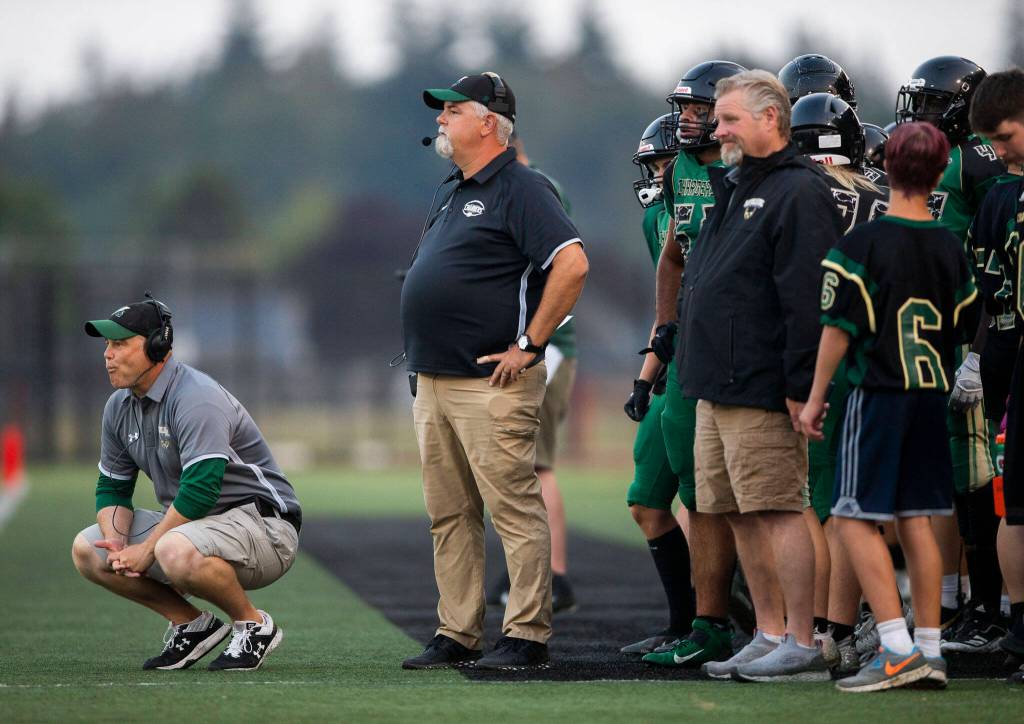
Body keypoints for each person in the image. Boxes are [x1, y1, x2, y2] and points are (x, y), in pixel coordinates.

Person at [400, 72, 588, 672]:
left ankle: (527, 635)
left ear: (488, 121)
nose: (440, 119)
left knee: (513, 508)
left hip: (492, 383)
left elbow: (572, 265)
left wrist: (531, 344)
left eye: (452, 110)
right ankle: (458, 631)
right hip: (434, 381)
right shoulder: (453, 189)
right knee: (449, 513)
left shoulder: (523, 187)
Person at [672, 69, 842, 683]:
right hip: (715, 383)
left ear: (771, 118)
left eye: (729, 120)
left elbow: (806, 301)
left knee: (778, 508)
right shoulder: (736, 183)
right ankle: (768, 632)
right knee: (736, 511)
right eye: (718, 120)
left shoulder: (799, 192)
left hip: (763, 385)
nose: (717, 130)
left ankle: (804, 638)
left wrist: (801, 386)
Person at [800, 121, 981, 692]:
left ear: (889, 164)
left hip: (878, 395)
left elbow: (836, 330)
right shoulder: (952, 247)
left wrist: (814, 398)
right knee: (918, 520)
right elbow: (963, 327)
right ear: (937, 171)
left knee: (853, 517)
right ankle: (930, 648)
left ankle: (898, 647)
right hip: (932, 394)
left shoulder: (863, 245)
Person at [71, 295, 302, 672]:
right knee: (88, 552)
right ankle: (190, 624)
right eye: (107, 345)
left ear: (157, 347)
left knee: (171, 548)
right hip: (194, 528)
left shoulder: (197, 397)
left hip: (265, 528)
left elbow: (200, 490)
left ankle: (254, 625)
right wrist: (114, 539)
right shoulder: (118, 406)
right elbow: (113, 487)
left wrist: (145, 551)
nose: (107, 355)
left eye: (120, 344)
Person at [640, 60, 758, 671]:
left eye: (697, 107)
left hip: (749, 352)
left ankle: (801, 627)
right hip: (692, 352)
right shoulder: (681, 170)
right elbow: (673, 257)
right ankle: (709, 625)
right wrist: (663, 334)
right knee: (700, 492)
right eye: (681, 107)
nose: (685, 118)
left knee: (767, 496)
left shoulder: (759, 170)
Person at [897, 55, 1007, 638]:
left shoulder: (978, 162)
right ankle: (968, 601)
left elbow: (994, 266)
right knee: (952, 480)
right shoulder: (939, 161)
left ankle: (992, 606)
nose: (922, 115)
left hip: (974, 333)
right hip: (935, 338)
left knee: (980, 481)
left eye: (935, 103)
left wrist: (977, 354)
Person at [791, 91, 890, 676]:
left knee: (808, 502)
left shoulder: (794, 194)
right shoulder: (878, 196)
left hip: (810, 359)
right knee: (850, 507)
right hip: (877, 363)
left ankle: (810, 631)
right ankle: (843, 631)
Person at [486, 131, 579, 614]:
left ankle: (554, 575)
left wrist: (530, 340)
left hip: (547, 346)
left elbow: (561, 265)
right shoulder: (528, 183)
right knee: (524, 464)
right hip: (542, 344)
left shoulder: (533, 185)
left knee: (536, 465)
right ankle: (536, 570)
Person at [619, 113, 697, 655]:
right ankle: (683, 622)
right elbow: (665, 308)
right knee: (646, 501)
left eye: (658, 163)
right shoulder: (657, 220)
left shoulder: (714, 199)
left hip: (712, 368)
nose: (653, 175)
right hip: (673, 371)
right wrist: (645, 379)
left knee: (711, 505)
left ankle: (718, 619)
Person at [967, 67, 1024, 684]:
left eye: (1006, 135)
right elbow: (991, 297)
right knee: (1015, 504)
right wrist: (980, 359)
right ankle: (1019, 624)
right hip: (1013, 366)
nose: (999, 150)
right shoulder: (998, 200)